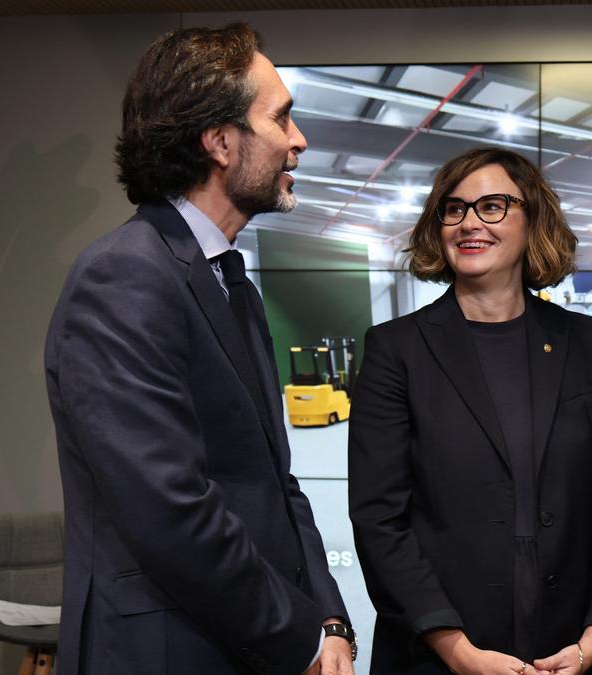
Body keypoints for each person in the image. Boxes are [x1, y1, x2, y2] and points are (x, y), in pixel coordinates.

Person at [45, 23, 354, 675]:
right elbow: (170, 511)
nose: (298, 140)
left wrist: (328, 619)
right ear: (219, 141)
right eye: (281, 118)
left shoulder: (230, 282)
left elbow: (277, 483)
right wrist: (300, 639)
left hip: (246, 641)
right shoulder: (124, 276)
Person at [349, 147, 592, 675]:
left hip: (575, 644)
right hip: (442, 648)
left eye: (492, 206)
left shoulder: (588, 344)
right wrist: (455, 649)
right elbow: (379, 517)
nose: (469, 223)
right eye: (454, 209)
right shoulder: (396, 349)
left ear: (533, 219)